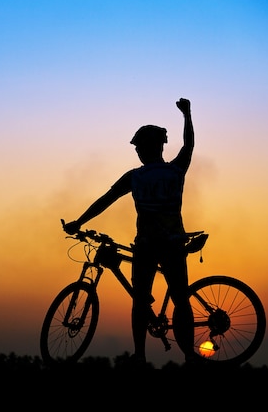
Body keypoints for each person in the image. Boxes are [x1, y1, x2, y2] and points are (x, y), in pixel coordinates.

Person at [62, 98, 196, 367]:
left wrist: (79, 222)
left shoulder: (135, 177)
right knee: (181, 300)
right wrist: (187, 115)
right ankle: (190, 356)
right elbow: (189, 145)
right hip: (172, 244)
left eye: (139, 147)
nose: (137, 152)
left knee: (140, 301)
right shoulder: (175, 170)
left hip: (147, 245)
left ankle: (140, 355)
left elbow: (105, 200)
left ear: (147, 148)